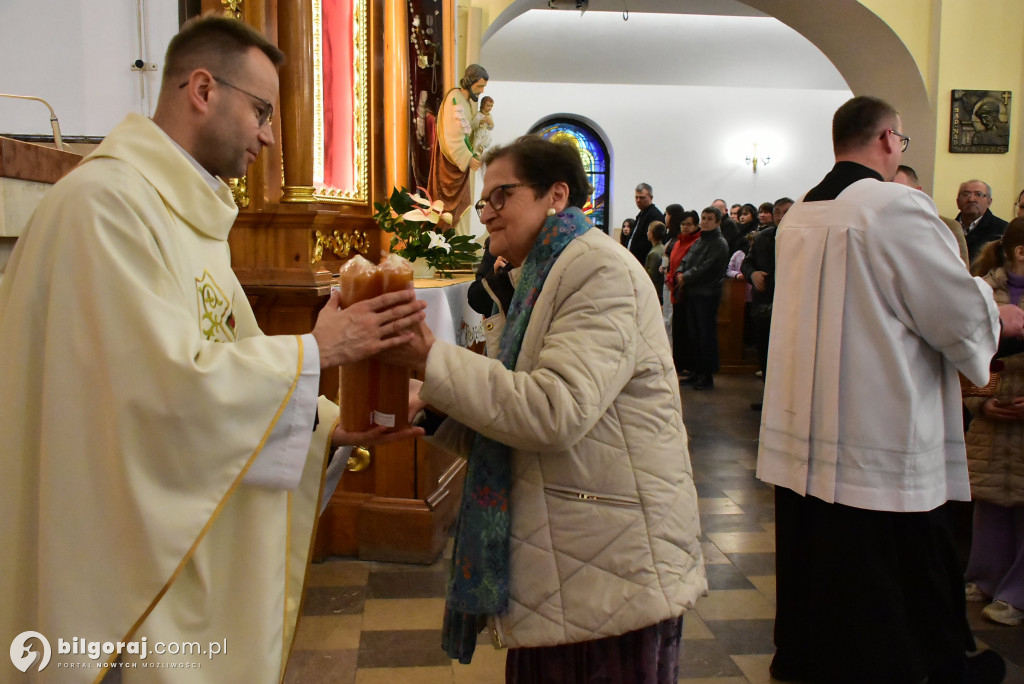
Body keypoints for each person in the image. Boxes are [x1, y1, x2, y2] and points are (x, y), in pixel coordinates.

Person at [0, 16, 428, 681]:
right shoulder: (105, 208)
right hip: (120, 582)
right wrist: (317, 351)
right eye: (261, 110)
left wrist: (326, 429)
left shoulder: (182, 216)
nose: (268, 135)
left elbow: (221, 362)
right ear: (202, 90)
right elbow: (157, 399)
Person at [390, 135, 706, 682]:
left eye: (501, 195)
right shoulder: (542, 273)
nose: (486, 213)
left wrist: (430, 359)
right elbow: (513, 415)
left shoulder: (598, 270)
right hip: (569, 548)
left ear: (556, 195)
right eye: (483, 200)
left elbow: (554, 410)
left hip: (610, 561)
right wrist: (431, 402)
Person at [759, 95, 1016, 684]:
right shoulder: (893, 205)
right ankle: (921, 667)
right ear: (886, 139)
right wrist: (994, 308)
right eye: (901, 140)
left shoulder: (801, 213)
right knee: (898, 556)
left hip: (807, 426)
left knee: (819, 551)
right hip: (879, 421)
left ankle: (807, 657)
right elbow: (951, 307)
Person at [963, 218, 1024, 627]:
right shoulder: (981, 289)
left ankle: (1016, 593)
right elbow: (964, 353)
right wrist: (979, 403)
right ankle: (985, 576)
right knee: (991, 502)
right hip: (993, 412)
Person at [741, 197, 792, 411]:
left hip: (790, 306)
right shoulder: (763, 237)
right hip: (764, 305)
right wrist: (752, 274)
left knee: (787, 356)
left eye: (786, 211)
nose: (781, 216)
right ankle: (770, 399)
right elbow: (747, 263)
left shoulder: (802, 237)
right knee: (765, 353)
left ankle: (787, 402)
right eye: (777, 212)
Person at [675, 207, 729, 391]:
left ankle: (706, 375)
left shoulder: (719, 243)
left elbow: (708, 267)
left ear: (718, 222)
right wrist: (680, 272)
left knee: (706, 336)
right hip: (693, 293)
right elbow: (686, 259)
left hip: (707, 294)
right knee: (694, 335)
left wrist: (686, 276)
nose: (705, 222)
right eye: (703, 218)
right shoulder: (700, 241)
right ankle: (696, 371)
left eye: (709, 219)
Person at [427, 63, 489, 226]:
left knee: (461, 211)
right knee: (447, 214)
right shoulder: (454, 100)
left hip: (459, 169)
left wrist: (480, 123)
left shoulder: (466, 102)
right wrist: (468, 158)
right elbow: (453, 135)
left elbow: (466, 128)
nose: (482, 91)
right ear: (469, 82)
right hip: (450, 168)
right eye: (479, 86)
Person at [893, 164, 969, 266]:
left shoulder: (948, 226)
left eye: (901, 191)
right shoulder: (878, 225)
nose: (894, 198)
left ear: (918, 191)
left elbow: (962, 271)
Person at [669, 210, 701, 379]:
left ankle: (689, 365)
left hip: (688, 291)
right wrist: (670, 277)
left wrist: (679, 277)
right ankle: (680, 364)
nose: (685, 227)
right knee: (678, 330)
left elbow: (691, 266)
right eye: (683, 224)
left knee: (688, 331)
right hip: (676, 289)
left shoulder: (697, 242)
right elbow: (673, 264)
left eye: (689, 224)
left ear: (696, 225)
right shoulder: (677, 242)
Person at [955, 179, 1008, 265]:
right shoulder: (946, 228)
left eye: (978, 194)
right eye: (966, 194)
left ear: (989, 202)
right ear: (957, 202)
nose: (971, 199)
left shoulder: (1003, 230)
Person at [627, 183, 663, 264]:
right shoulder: (642, 213)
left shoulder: (654, 215)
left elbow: (648, 242)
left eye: (642, 197)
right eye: (636, 197)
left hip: (643, 261)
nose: (638, 200)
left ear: (651, 198)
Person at [645, 220, 667, 301]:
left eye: (648, 230)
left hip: (656, 293)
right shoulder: (662, 248)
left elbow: (651, 276)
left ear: (651, 234)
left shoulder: (654, 253)